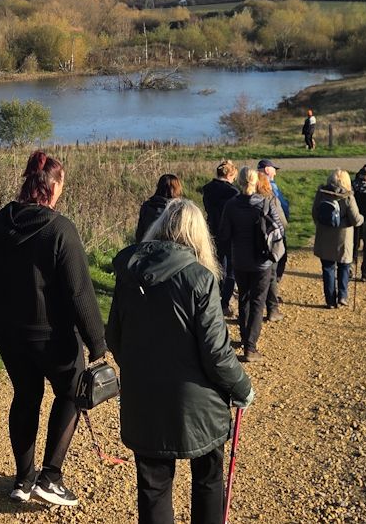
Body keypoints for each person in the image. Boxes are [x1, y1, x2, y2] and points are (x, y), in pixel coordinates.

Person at [0, 151, 108, 506]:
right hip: (52, 336)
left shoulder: (2, 221)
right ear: (54, 184)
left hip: (8, 334)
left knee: (26, 396)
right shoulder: (61, 229)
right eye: (62, 182)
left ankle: (23, 480)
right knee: (72, 392)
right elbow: (80, 291)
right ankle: (51, 477)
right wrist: (97, 344)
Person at [108, 199, 254, 524]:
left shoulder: (128, 274)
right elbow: (216, 353)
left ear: (159, 228)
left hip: (144, 402)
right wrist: (242, 387)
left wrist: (141, 368)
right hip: (199, 406)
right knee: (208, 480)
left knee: (153, 488)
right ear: (198, 235)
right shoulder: (200, 279)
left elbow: (115, 338)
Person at [217, 167, 283, 362]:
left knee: (244, 299)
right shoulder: (265, 203)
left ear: (239, 181)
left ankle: (246, 338)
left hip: (239, 260)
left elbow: (224, 234)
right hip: (262, 261)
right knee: (257, 302)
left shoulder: (230, 205)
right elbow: (278, 228)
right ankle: (250, 347)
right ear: (256, 183)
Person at [312, 169, 364, 308]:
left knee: (328, 268)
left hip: (325, 235)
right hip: (343, 237)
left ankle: (330, 300)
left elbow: (315, 213)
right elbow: (355, 219)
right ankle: (342, 296)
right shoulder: (348, 197)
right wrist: (362, 219)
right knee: (344, 266)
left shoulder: (321, 194)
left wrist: (321, 225)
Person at [200, 160, 239, 316]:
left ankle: (214, 295)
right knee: (230, 267)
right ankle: (225, 301)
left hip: (211, 229)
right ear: (229, 175)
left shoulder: (207, 189)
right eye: (233, 177)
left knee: (215, 264)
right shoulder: (232, 192)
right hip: (229, 233)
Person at [254, 169, 287, 322]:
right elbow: (282, 222)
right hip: (268, 246)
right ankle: (272, 310)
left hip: (249, 248)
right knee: (271, 277)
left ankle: (252, 314)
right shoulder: (271, 199)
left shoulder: (243, 200)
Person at [257, 159, 290, 290]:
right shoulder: (271, 188)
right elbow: (279, 207)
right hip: (275, 229)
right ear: (267, 170)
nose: (275, 173)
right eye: (274, 170)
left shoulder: (253, 186)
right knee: (279, 257)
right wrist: (284, 226)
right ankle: (272, 289)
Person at [135, 174, 182, 242]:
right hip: (170, 249)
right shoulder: (178, 209)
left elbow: (139, 234)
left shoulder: (146, 206)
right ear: (176, 189)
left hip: (146, 247)